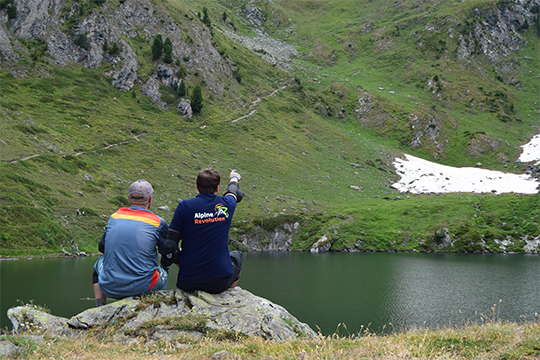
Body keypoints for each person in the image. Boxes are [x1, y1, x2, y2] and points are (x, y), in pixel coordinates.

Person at [162, 168, 243, 294]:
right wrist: (234, 177)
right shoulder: (227, 204)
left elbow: (170, 245)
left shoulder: (184, 206)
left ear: (197, 186)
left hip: (188, 281)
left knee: (176, 249)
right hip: (219, 282)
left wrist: (169, 265)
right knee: (237, 256)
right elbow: (232, 191)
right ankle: (228, 296)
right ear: (217, 188)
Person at [92, 180, 169, 306]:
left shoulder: (115, 217)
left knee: (98, 265)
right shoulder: (158, 222)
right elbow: (166, 252)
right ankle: (150, 306)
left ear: (129, 198)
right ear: (150, 199)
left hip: (110, 288)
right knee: (164, 269)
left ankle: (100, 308)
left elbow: (102, 248)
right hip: (145, 288)